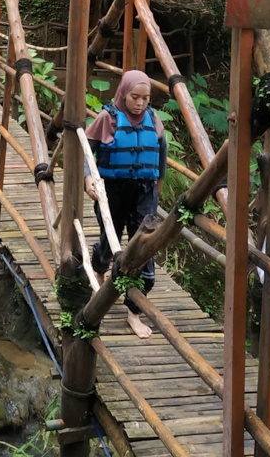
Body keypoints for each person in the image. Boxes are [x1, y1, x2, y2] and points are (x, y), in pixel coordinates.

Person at [84, 69, 166, 339]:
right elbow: (87, 147)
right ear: (123, 93)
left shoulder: (153, 119)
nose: (140, 103)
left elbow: (161, 149)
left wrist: (159, 182)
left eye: (145, 98)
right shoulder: (107, 118)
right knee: (110, 242)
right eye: (135, 97)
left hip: (144, 192)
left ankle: (134, 312)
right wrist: (88, 178)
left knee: (143, 248)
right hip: (113, 190)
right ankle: (99, 270)